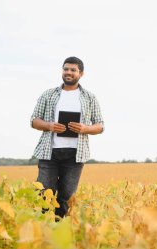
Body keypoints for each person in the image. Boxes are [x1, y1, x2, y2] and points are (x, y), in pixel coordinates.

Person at [30, 56, 104, 218]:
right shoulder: (48, 95)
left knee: (66, 197)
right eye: (66, 69)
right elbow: (34, 121)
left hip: (75, 154)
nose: (68, 72)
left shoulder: (89, 97)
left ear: (81, 74)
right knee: (43, 193)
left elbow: (100, 126)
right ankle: (43, 229)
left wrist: (85, 128)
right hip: (49, 152)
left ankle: (59, 230)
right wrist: (49, 125)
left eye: (73, 70)